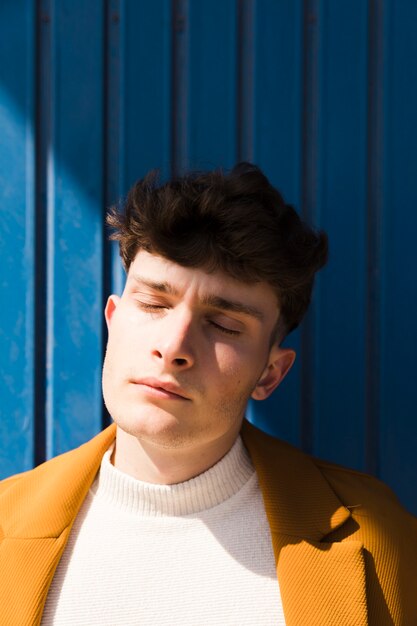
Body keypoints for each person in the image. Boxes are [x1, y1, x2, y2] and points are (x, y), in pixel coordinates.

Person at [0, 163, 415, 626]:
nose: (173, 347)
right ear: (114, 319)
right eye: (154, 303)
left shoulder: (379, 541)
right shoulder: (5, 528)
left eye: (222, 325)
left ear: (270, 374)